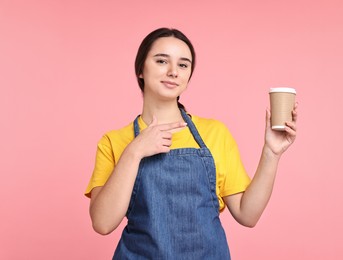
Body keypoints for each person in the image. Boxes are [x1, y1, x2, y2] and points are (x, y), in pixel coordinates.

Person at [85, 27, 298, 259]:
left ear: (188, 77)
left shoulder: (215, 133)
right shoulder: (114, 142)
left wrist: (271, 152)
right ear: (141, 70)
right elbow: (102, 223)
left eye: (183, 65)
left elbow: (248, 215)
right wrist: (134, 152)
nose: (173, 71)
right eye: (161, 61)